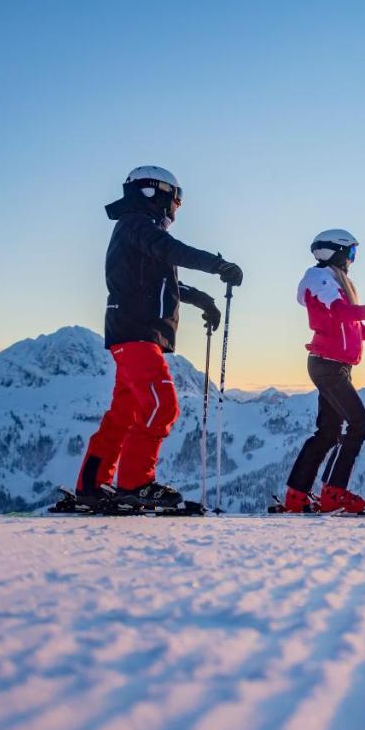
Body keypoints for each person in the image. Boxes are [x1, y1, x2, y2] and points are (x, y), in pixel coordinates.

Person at [75, 166, 243, 509]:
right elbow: (173, 251)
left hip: (135, 332)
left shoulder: (136, 231)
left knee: (125, 412)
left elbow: (162, 282)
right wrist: (219, 265)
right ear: (157, 194)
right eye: (175, 202)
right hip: (136, 332)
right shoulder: (139, 224)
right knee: (160, 404)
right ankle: (135, 483)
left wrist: (202, 301)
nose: (175, 211)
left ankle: (92, 485)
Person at [283, 229, 365, 513]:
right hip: (327, 366)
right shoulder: (319, 279)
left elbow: (353, 325)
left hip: (332, 365)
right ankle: (333, 493)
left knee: (328, 432)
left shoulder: (335, 282)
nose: (353, 260)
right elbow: (344, 313)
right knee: (359, 424)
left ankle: (296, 495)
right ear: (337, 252)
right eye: (352, 253)